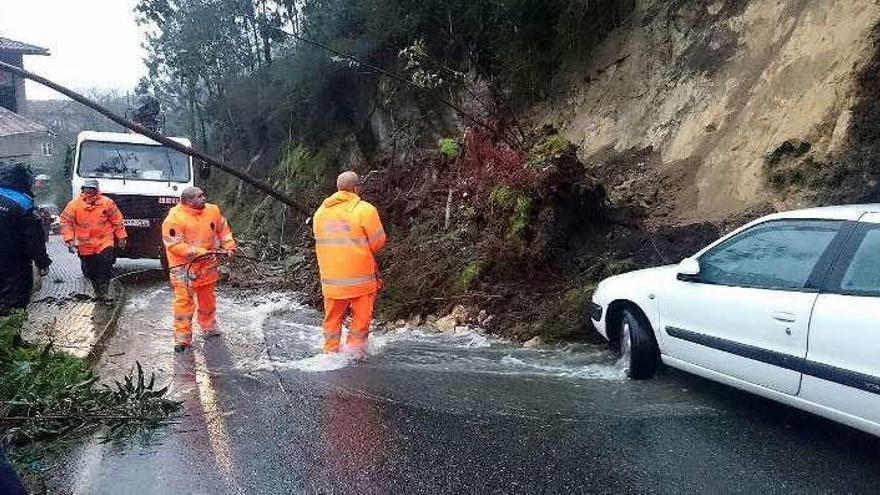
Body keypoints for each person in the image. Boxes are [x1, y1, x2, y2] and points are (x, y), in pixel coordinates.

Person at [313, 171, 387, 359]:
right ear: (356, 188)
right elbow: (378, 243)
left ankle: (330, 352)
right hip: (360, 281)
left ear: (338, 189)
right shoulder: (365, 210)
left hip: (331, 283)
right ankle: (353, 354)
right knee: (361, 319)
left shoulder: (320, 213)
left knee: (332, 320)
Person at [162, 187, 236, 352]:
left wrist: (230, 247)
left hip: (207, 265)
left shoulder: (213, 210)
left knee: (207, 299)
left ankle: (208, 327)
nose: (204, 198)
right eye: (199, 196)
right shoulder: (173, 219)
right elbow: (174, 244)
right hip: (183, 268)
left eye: (203, 195)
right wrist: (200, 253)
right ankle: (182, 339)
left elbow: (223, 230)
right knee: (184, 303)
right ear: (188, 201)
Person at [60, 179, 127, 300]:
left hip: (105, 241)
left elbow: (117, 220)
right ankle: (98, 290)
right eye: (87, 188)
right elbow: (65, 222)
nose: (89, 191)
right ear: (83, 189)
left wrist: (121, 237)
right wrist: (69, 239)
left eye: (92, 189)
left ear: (97, 190)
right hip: (85, 245)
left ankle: (104, 291)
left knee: (105, 265)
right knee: (90, 271)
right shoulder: (74, 205)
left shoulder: (107, 203)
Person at [0, 163, 51, 315]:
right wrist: (42, 262)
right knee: (14, 304)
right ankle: (10, 336)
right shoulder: (24, 204)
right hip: (15, 265)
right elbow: (36, 239)